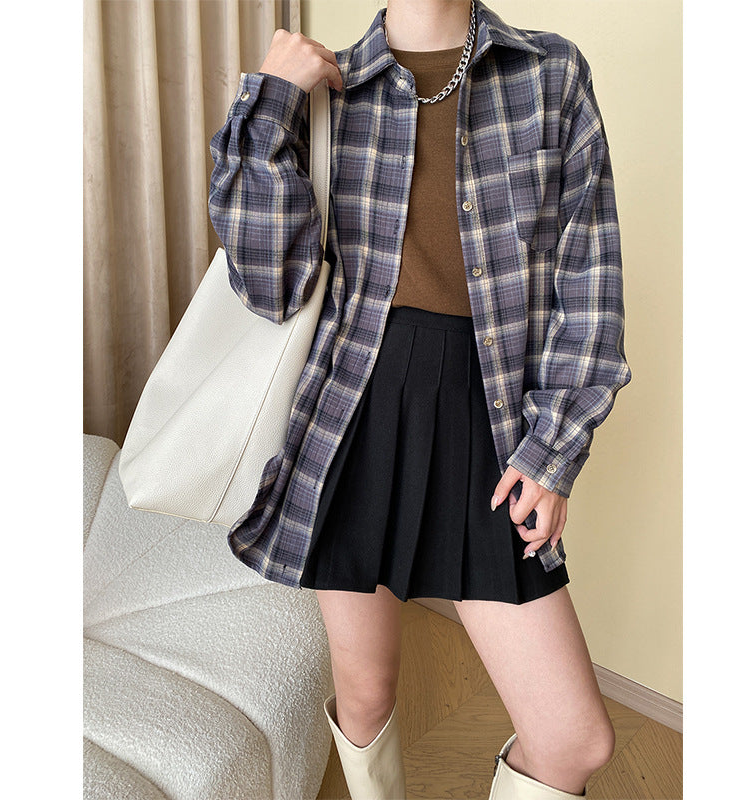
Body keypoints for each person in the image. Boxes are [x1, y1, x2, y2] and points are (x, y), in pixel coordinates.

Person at [207, 1, 632, 798]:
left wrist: (555, 447)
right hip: (351, 415)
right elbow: (271, 286)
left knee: (574, 739)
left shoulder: (550, 74)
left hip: (491, 420)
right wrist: (270, 100)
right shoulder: (327, 90)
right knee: (366, 694)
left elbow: (589, 279)